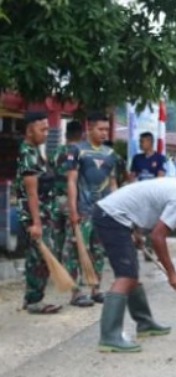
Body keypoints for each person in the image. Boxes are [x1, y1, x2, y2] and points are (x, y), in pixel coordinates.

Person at [93, 164, 176, 352]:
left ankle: (145, 324)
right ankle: (109, 337)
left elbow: (142, 203)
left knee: (131, 273)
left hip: (115, 216)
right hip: (112, 217)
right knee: (126, 276)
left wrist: (135, 231)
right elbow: (158, 237)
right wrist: (172, 274)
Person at [66, 112, 119, 305]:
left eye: (106, 129)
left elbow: (113, 184)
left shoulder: (111, 154)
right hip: (83, 211)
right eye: (100, 129)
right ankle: (76, 292)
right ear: (89, 128)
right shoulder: (77, 151)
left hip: (102, 212)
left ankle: (96, 289)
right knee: (76, 250)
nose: (104, 133)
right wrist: (73, 210)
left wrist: (116, 210)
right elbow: (71, 181)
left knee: (98, 250)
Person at [16, 112, 62, 314]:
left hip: (44, 213)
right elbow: (31, 193)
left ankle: (32, 298)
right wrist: (36, 223)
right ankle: (34, 301)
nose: (46, 133)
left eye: (47, 129)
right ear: (29, 130)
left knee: (40, 255)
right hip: (34, 215)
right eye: (42, 129)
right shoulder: (28, 154)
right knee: (39, 257)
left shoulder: (36, 151)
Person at [49, 121, 95, 307]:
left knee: (59, 245)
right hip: (73, 204)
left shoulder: (56, 153)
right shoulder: (81, 154)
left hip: (56, 203)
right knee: (74, 246)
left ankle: (64, 280)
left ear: (66, 134)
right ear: (82, 134)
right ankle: (76, 291)